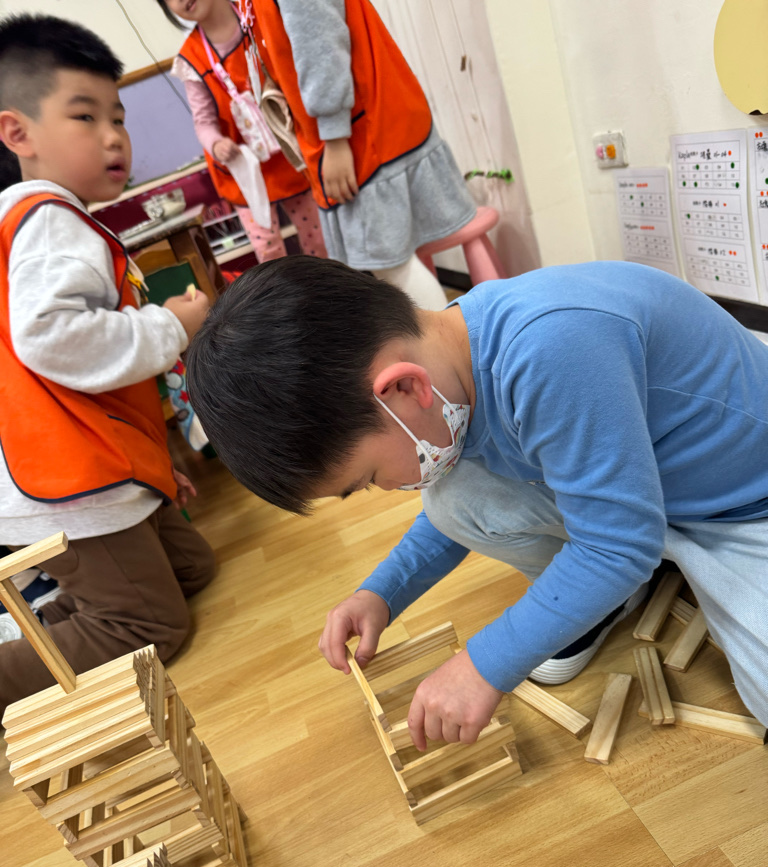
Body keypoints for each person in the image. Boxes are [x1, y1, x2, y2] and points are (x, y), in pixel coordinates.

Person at [186, 255, 768, 745]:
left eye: (366, 478)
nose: (383, 489)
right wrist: (382, 592)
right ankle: (606, 591)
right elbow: (460, 512)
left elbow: (620, 545)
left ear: (404, 388)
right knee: (451, 498)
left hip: (742, 502)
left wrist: (484, 664)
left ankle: (609, 582)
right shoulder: (450, 358)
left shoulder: (550, 350)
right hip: (650, 498)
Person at [0, 13, 216, 718]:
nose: (114, 135)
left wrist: (156, 466)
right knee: (152, 626)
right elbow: (51, 338)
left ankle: (56, 615)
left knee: (193, 568)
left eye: (117, 116)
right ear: (18, 133)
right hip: (70, 485)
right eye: (85, 116)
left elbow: (94, 377)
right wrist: (171, 325)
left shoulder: (48, 220)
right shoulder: (49, 221)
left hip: (94, 467)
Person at [216, 0, 476, 311]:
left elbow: (321, 48)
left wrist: (335, 137)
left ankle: (451, 340)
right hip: (355, 134)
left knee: (393, 267)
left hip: (360, 137)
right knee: (391, 267)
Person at [156, 0, 327, 263]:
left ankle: (328, 284)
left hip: (291, 158)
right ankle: (281, 291)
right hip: (244, 170)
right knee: (268, 251)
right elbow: (203, 123)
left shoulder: (259, 17)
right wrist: (216, 144)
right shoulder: (192, 58)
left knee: (318, 239)